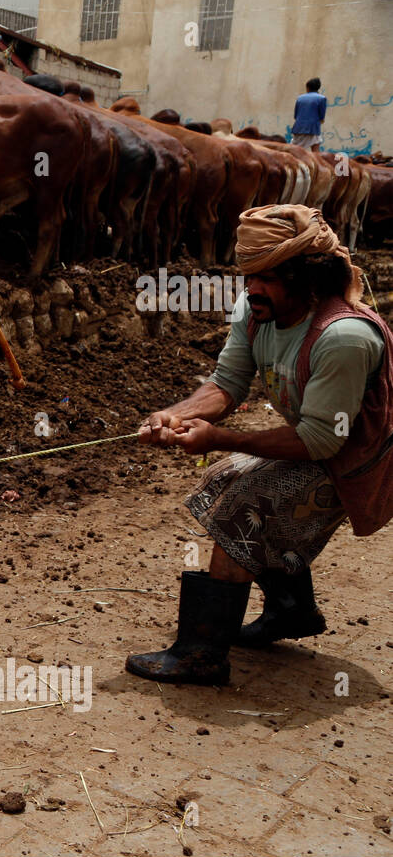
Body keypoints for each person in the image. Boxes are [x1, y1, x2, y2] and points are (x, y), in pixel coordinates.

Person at [127, 204, 393, 685]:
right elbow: (227, 385)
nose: (251, 289)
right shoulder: (256, 312)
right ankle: (291, 610)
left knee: (244, 506)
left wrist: (218, 437)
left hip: (356, 461)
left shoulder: (343, 337)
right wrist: (176, 415)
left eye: (266, 278)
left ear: (307, 279)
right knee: (220, 478)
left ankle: (202, 655)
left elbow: (319, 439)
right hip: (321, 445)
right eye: (248, 277)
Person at [290, 77, 326, 152]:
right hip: (313, 129)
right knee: (316, 150)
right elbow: (321, 117)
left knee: (293, 150)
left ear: (307, 88)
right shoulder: (322, 98)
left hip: (298, 128)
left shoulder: (300, 98)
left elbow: (296, 115)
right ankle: (316, 163)